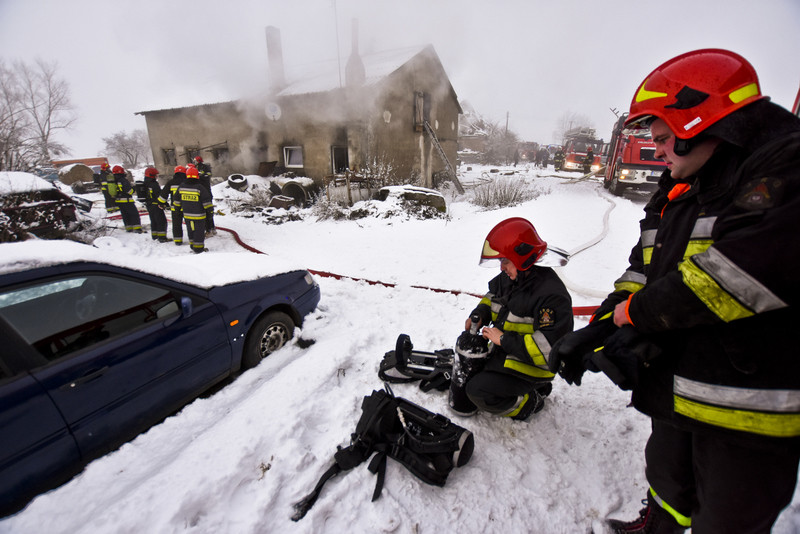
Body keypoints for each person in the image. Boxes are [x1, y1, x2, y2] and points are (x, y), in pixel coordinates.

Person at [551, 49, 800, 533]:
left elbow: (736, 277)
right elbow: (642, 272)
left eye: (664, 139)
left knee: (726, 519)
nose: (658, 151)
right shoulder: (678, 189)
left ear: (699, 124)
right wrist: (598, 328)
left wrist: (633, 318)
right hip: (678, 380)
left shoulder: (785, 168)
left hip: (747, 411)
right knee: (667, 479)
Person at [453, 217, 573, 421]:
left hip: (534, 366)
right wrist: (481, 312)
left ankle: (528, 403)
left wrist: (504, 340)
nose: (502, 268)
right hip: (509, 354)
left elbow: (549, 351)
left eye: (505, 261)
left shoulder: (551, 296)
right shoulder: (513, 277)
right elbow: (492, 297)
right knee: (469, 365)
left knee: (476, 390)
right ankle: (534, 388)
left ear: (522, 258)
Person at [176, 165, 213, 253]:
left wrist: (178, 210)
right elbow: (207, 202)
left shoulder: (182, 186)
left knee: (190, 230)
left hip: (187, 215)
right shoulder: (199, 187)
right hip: (199, 215)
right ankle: (199, 249)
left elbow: (176, 200)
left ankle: (193, 246)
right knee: (199, 231)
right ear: (197, 176)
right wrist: (210, 212)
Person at [105, 165, 142, 233]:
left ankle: (128, 228)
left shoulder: (113, 180)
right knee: (134, 214)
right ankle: (137, 229)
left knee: (125, 215)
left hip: (119, 201)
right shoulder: (123, 180)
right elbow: (129, 191)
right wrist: (134, 188)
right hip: (127, 201)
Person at [159, 166, 187, 245]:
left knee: (176, 224)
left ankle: (178, 241)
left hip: (175, 208)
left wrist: (161, 203)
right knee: (190, 224)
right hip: (187, 208)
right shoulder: (187, 182)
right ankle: (193, 239)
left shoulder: (171, 182)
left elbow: (163, 195)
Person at [142, 167, 168, 242]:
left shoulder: (145, 183)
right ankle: (162, 237)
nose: (156, 176)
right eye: (155, 175)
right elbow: (159, 195)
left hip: (149, 205)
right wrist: (165, 204)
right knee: (161, 221)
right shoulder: (154, 184)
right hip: (156, 206)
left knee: (153, 221)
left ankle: (155, 235)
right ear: (151, 175)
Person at [194, 156, 216, 235]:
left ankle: (211, 228)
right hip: (200, 194)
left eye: (196, 161)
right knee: (203, 213)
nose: (195, 162)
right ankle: (208, 228)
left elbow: (208, 175)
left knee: (209, 212)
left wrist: (201, 175)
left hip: (206, 193)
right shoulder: (195, 168)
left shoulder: (205, 167)